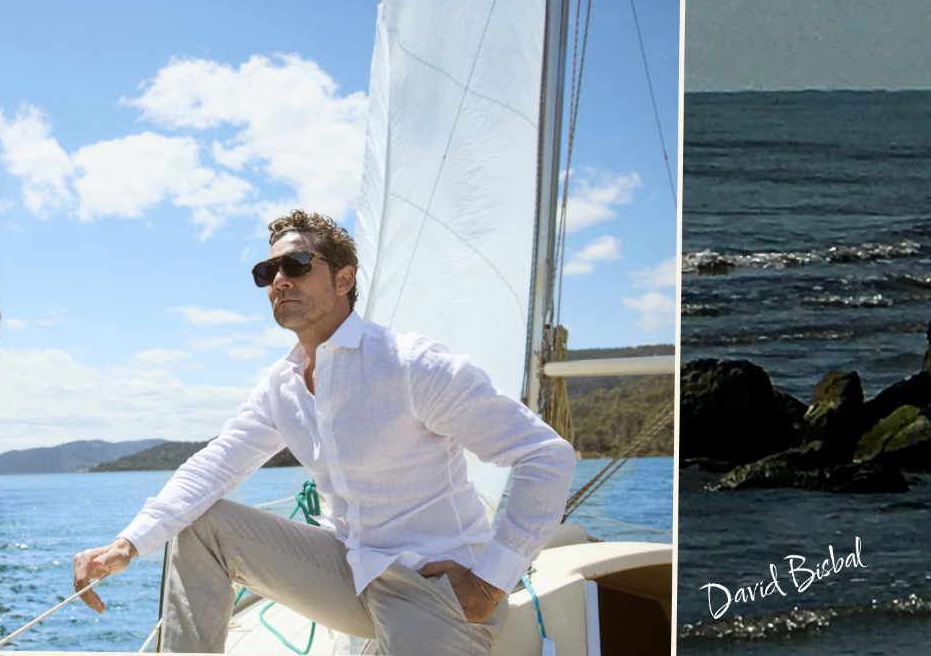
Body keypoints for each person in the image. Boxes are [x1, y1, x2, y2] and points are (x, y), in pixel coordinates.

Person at [70, 210, 576, 655]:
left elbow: (545, 457)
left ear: (343, 279)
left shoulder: (410, 365)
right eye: (268, 272)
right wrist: (128, 543)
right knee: (202, 525)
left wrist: (489, 583)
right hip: (352, 573)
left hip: (432, 585)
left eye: (296, 265)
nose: (279, 281)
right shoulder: (281, 386)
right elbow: (215, 465)